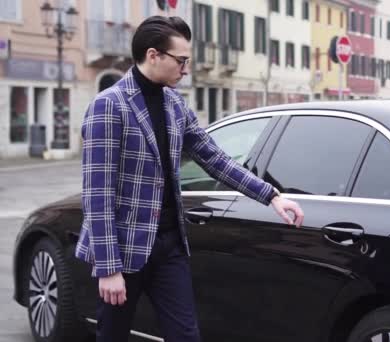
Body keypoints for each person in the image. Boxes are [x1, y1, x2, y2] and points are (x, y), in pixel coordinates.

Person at [74, 16, 304, 342]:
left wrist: (271, 195)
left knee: (185, 335)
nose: (186, 69)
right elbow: (97, 193)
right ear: (153, 55)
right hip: (123, 251)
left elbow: (215, 159)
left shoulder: (175, 104)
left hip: (169, 247)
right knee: (112, 336)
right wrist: (109, 268)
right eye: (181, 61)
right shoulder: (108, 106)